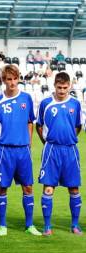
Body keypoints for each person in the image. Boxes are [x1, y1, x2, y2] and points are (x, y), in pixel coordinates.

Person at [0, 65, 42, 236]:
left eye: (14, 78)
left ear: (18, 78)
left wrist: (28, 141)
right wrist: (0, 139)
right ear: (3, 81)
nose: (12, 82)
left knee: (28, 187)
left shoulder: (26, 98)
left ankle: (29, 225)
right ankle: (3, 225)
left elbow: (30, 122)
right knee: (2, 187)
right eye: (8, 79)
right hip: (4, 151)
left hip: (23, 151)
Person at [36, 72, 83, 236]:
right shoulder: (46, 103)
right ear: (54, 86)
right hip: (52, 151)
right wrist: (49, 142)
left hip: (70, 150)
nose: (62, 91)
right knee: (48, 188)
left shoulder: (75, 104)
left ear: (69, 86)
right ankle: (47, 226)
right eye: (59, 87)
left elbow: (78, 126)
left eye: (65, 88)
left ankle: (75, 225)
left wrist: (68, 138)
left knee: (74, 189)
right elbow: (39, 126)